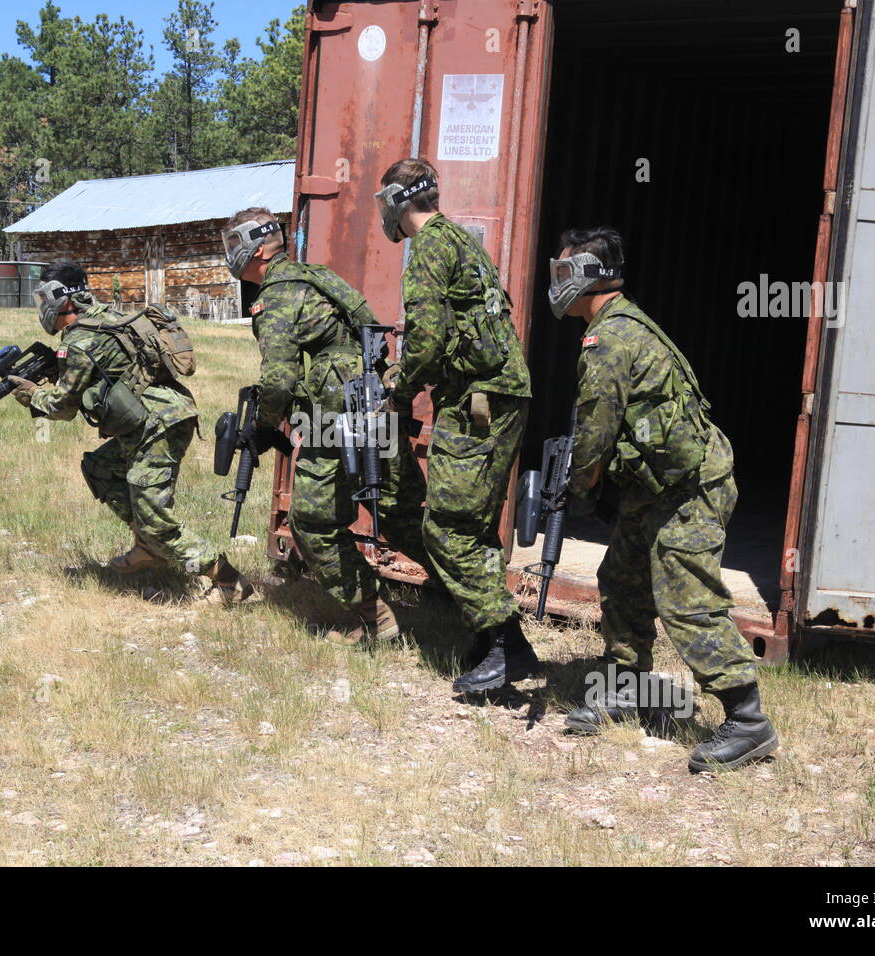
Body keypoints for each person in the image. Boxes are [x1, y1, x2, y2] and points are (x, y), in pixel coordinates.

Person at [547, 226, 778, 771]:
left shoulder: (610, 339)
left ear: (587, 275)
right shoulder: (619, 324)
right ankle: (627, 688)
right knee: (623, 580)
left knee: (685, 597)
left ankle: (749, 721)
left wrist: (577, 486)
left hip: (691, 485)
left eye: (563, 271)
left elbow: (595, 431)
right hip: (660, 484)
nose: (556, 282)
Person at [221, 208, 430, 643]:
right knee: (407, 516)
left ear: (255, 248)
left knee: (313, 521)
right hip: (377, 405)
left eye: (232, 246)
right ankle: (480, 611)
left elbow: (278, 379)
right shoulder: (317, 278)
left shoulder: (277, 296)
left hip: (336, 418)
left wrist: (262, 426)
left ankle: (377, 618)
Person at [375, 158, 539, 693]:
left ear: (398, 203)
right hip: (498, 395)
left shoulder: (426, 247)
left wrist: (397, 396)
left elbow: (424, 339)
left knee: (445, 527)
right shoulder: (462, 240)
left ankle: (509, 645)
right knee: (471, 523)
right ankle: (488, 641)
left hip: (477, 402)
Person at [8, 258, 254, 605]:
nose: (40, 307)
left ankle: (231, 582)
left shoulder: (80, 340)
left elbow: (62, 407)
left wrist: (32, 394)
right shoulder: (108, 316)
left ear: (60, 299)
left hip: (156, 427)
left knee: (156, 522)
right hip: (161, 419)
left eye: (41, 299)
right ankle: (147, 547)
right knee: (100, 467)